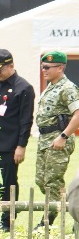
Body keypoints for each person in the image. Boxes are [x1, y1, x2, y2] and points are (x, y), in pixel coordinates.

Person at [0, 49, 35, 230]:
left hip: (10, 145)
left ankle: (7, 219)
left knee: (9, 183)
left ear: (11, 66)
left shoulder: (24, 88)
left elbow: (26, 121)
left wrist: (21, 146)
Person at [34, 51, 79, 221]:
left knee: (52, 182)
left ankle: (48, 221)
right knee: (41, 181)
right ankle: (71, 201)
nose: (43, 70)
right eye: (42, 67)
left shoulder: (67, 88)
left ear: (60, 68)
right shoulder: (51, 86)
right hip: (45, 140)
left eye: (47, 67)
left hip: (58, 139)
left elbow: (78, 115)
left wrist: (63, 136)